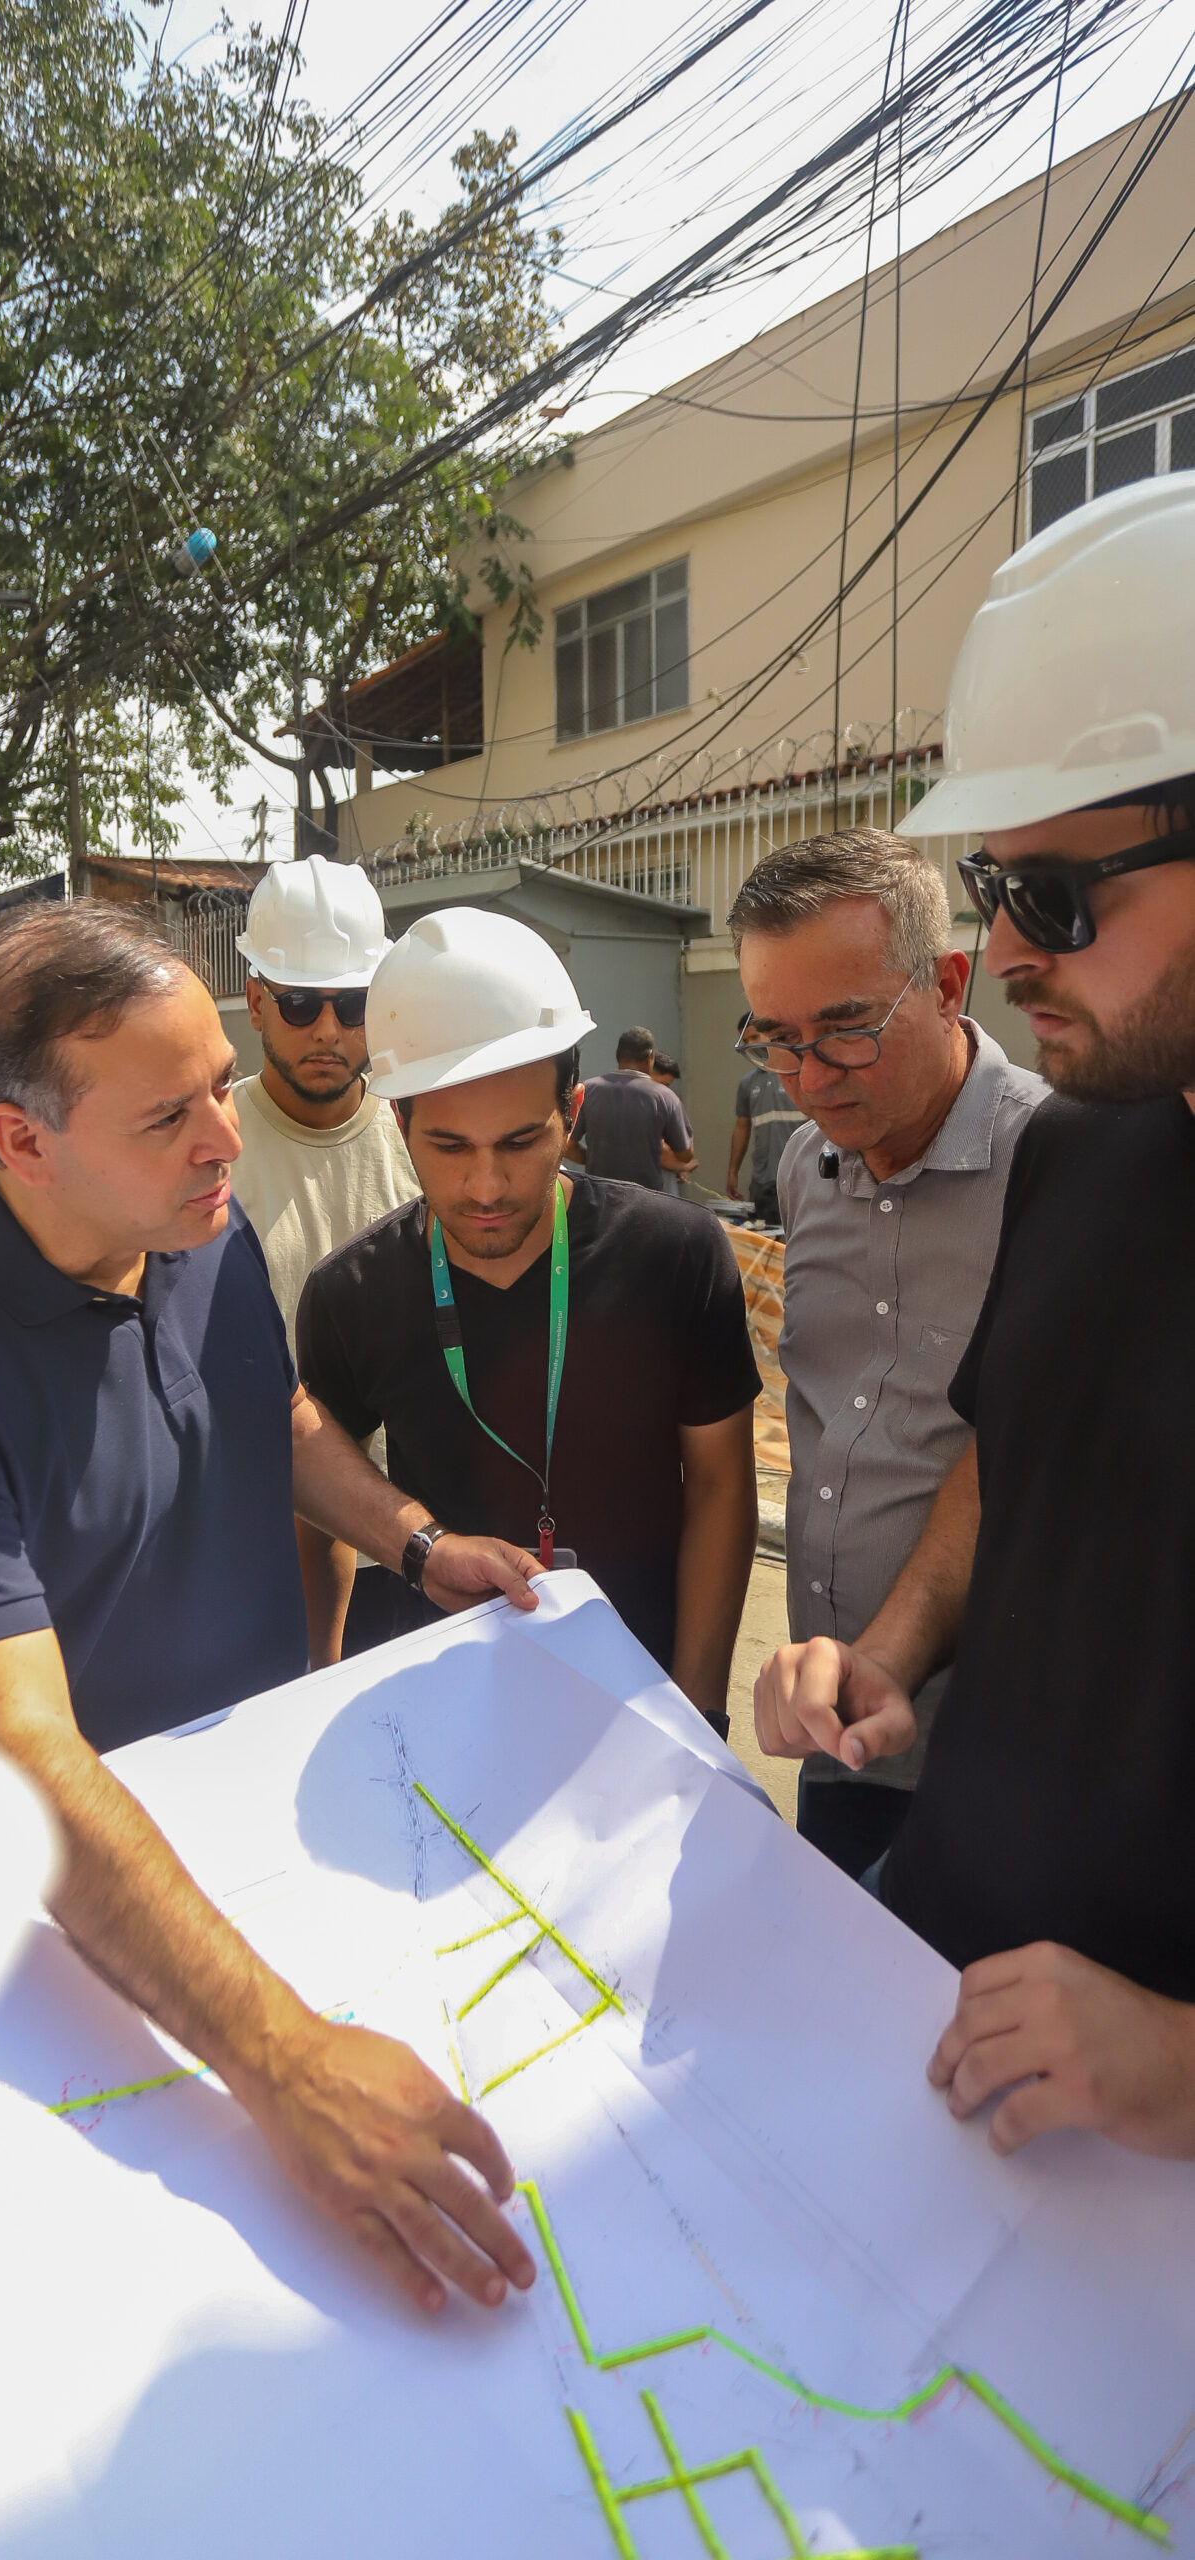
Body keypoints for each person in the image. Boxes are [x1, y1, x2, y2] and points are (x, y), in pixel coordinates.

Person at [0, 898, 543, 2313]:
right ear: (21, 1139)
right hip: (95, 1927)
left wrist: (413, 1543)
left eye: (219, 1084)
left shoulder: (199, 1235)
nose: (226, 1139)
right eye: (169, 1116)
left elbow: (267, 1416)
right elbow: (24, 1755)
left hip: (266, 1843)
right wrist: (280, 2066)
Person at [753, 473, 1195, 2159]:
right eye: (996, 886)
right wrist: (890, 1658)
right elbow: (1008, 1473)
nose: (1006, 953)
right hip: (946, 1998)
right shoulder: (1085, 1155)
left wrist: (1171, 2060)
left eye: (1061, 901)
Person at [297, 909, 761, 1732]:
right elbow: (321, 1489)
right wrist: (320, 1680)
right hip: (447, 1710)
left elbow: (722, 1487)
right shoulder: (350, 1294)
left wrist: (698, 1714)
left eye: (519, 1142)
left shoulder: (676, 1256)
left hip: (641, 1703)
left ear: (570, 1112)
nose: (485, 1186)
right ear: (398, 1123)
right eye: (448, 1146)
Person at [728, 831, 1045, 1880]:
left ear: (949, 983)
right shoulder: (802, 1170)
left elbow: (1021, 1454)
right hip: (832, 1738)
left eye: (846, 1029)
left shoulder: (1061, 1169)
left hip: (1001, 1759)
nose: (808, 1077)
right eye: (774, 1038)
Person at [231, 855, 418, 1664]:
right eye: (302, 1004)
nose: (329, 1031)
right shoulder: (205, 1153)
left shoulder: (426, 1143)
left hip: (410, 1549)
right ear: (256, 1002)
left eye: (351, 1004)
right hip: (253, 1552)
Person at [566, 1026, 696, 1196]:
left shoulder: (588, 1089)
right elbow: (685, 1154)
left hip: (599, 1199)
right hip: (645, 1201)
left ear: (617, 1055)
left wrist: (594, 1159)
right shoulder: (665, 1096)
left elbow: (568, 1146)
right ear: (650, 1056)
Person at [727, 1024, 802, 1223]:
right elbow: (742, 1127)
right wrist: (733, 1172)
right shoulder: (748, 1083)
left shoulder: (796, 1073)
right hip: (763, 1181)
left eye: (754, 1036)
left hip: (800, 1175)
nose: (750, 1044)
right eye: (746, 1041)